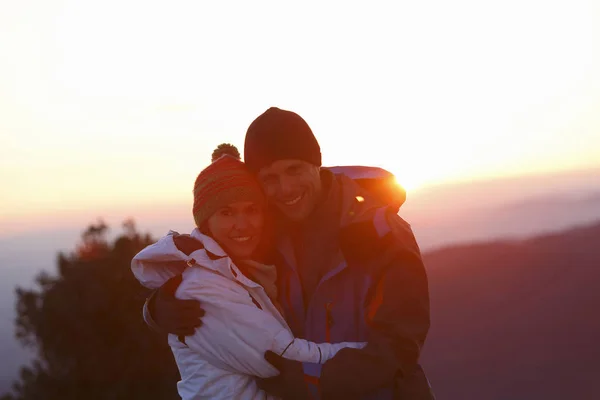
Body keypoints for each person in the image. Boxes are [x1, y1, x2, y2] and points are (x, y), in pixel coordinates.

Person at [147, 107, 434, 399]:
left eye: (294, 169)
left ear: (316, 164)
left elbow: (400, 346)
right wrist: (161, 307)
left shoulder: (382, 233)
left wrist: (312, 383)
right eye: (269, 178)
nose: (285, 188)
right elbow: (214, 273)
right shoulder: (266, 230)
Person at [131, 151, 366, 400]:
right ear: (205, 221)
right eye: (227, 213)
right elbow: (281, 356)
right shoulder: (203, 286)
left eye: (252, 210)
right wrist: (372, 353)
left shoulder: (255, 267)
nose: (242, 225)